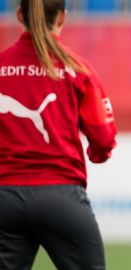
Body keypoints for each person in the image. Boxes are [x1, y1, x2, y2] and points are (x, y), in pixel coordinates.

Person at [0, 0, 117, 269]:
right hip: (61, 197)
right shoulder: (78, 68)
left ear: (20, 15)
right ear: (63, 17)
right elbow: (104, 136)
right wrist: (98, 154)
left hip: (4, 197)